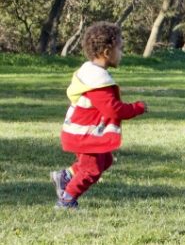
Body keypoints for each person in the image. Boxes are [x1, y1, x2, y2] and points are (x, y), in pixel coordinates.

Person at [50, 22, 147, 209]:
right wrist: (137, 108)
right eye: (120, 48)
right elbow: (114, 109)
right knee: (92, 170)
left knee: (105, 159)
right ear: (106, 52)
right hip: (83, 134)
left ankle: (66, 176)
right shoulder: (97, 81)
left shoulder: (91, 72)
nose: (122, 53)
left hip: (82, 131)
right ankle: (67, 200)